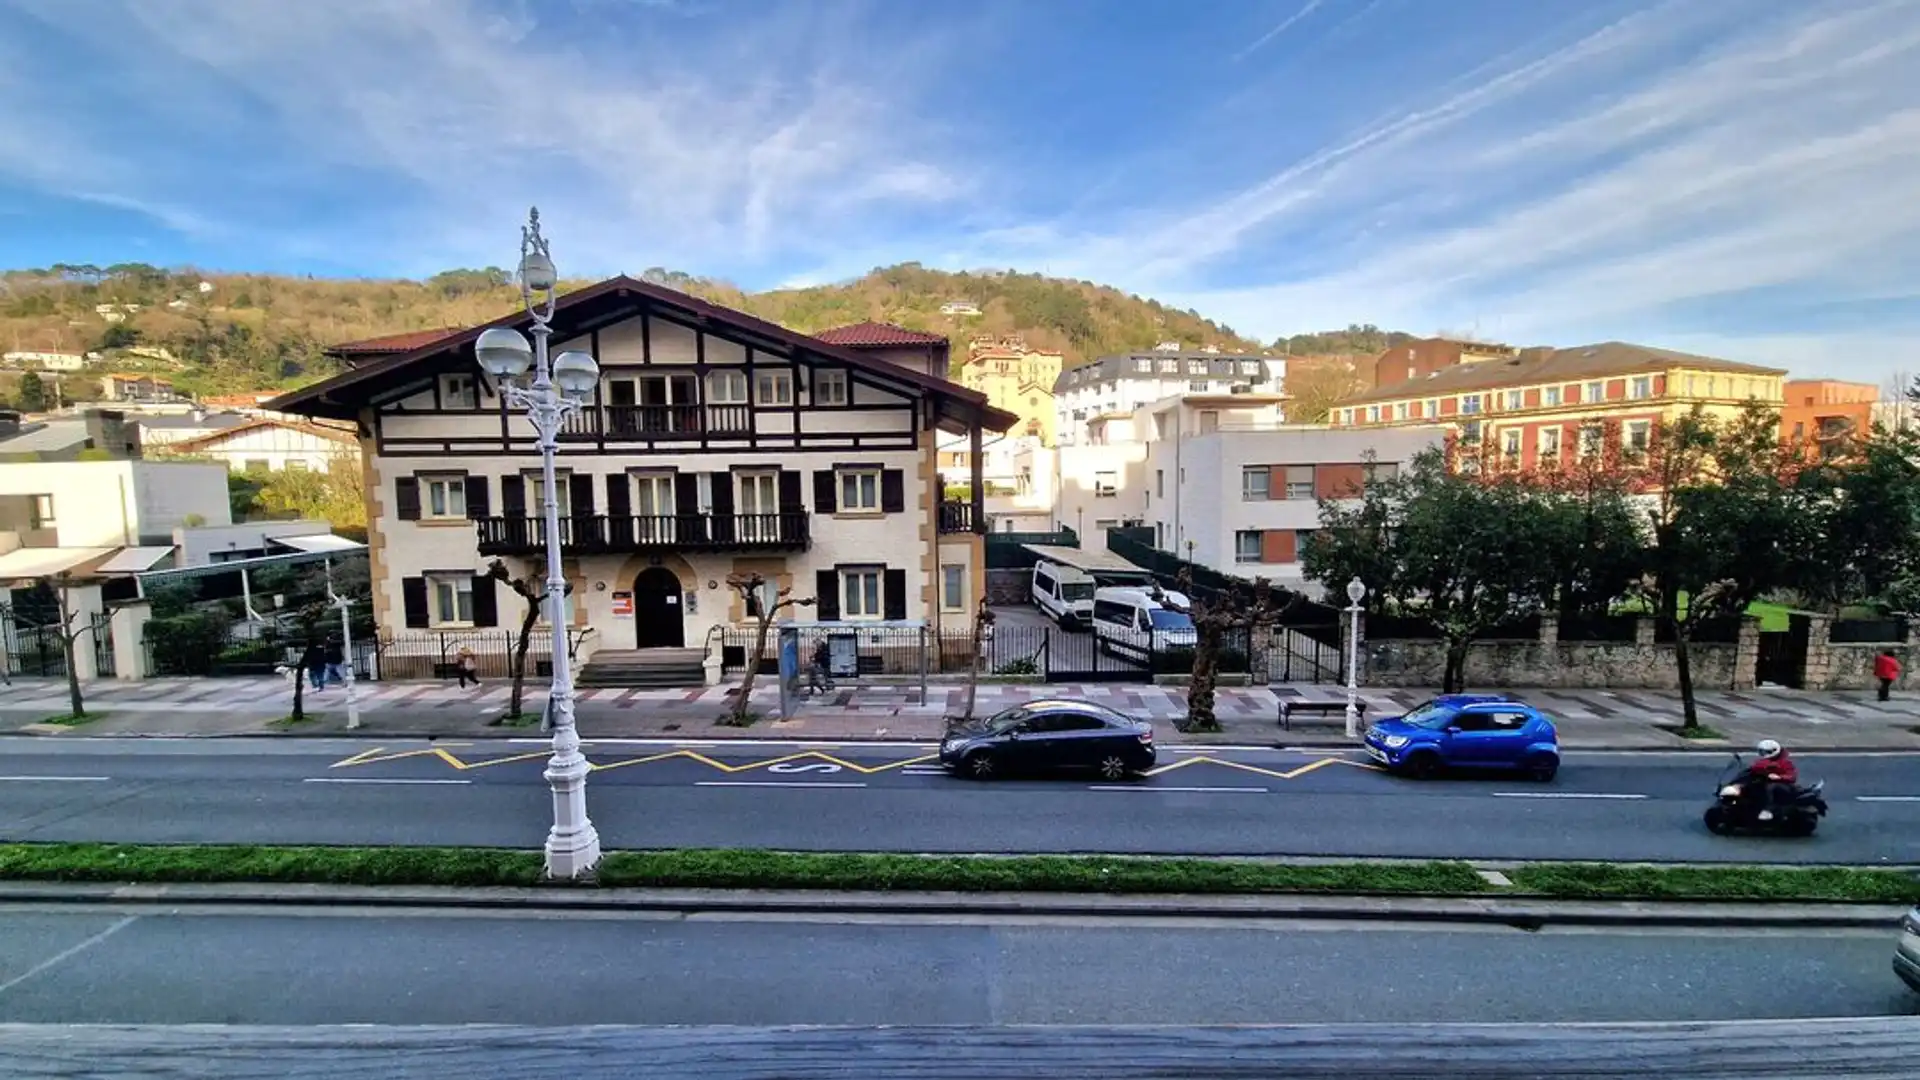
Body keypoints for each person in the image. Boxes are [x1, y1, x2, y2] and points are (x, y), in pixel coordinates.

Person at [1745, 738, 1798, 821]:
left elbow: (1792, 776)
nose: (1763, 754)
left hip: (1784, 786)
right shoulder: (1762, 761)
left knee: (1771, 787)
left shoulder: (1785, 763)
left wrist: (1779, 777)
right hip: (1766, 782)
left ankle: (1768, 809)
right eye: (1762, 751)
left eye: (1766, 752)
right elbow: (1754, 768)